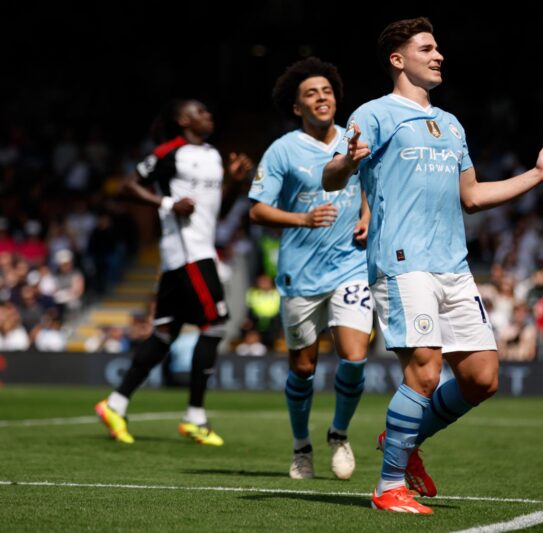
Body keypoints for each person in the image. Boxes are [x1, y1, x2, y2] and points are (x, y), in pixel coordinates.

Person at [323, 17, 543, 514]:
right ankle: (388, 487)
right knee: (424, 370)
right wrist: (348, 161)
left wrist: (535, 175)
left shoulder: (452, 123)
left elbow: (473, 196)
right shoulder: (374, 114)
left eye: (438, 47)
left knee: (482, 378)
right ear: (398, 59)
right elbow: (333, 177)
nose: (438, 55)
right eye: (427, 48)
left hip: (453, 266)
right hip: (402, 263)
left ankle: (403, 439)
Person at [95, 99, 253, 446]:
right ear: (184, 119)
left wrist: (235, 184)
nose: (209, 114)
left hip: (195, 250)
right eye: (201, 111)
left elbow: (217, 211)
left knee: (165, 333)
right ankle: (195, 417)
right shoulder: (170, 152)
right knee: (215, 324)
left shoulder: (213, 155)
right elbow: (127, 186)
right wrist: (167, 204)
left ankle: (114, 404)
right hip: (188, 253)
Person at [249, 57, 372, 481]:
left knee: (354, 358)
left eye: (327, 91)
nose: (322, 98)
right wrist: (302, 219)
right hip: (300, 272)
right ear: (298, 107)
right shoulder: (283, 150)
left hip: (351, 265)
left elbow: (371, 183)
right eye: (311, 94)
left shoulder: (357, 138)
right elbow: (258, 210)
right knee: (303, 368)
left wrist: (368, 215)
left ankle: (339, 434)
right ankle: (302, 446)